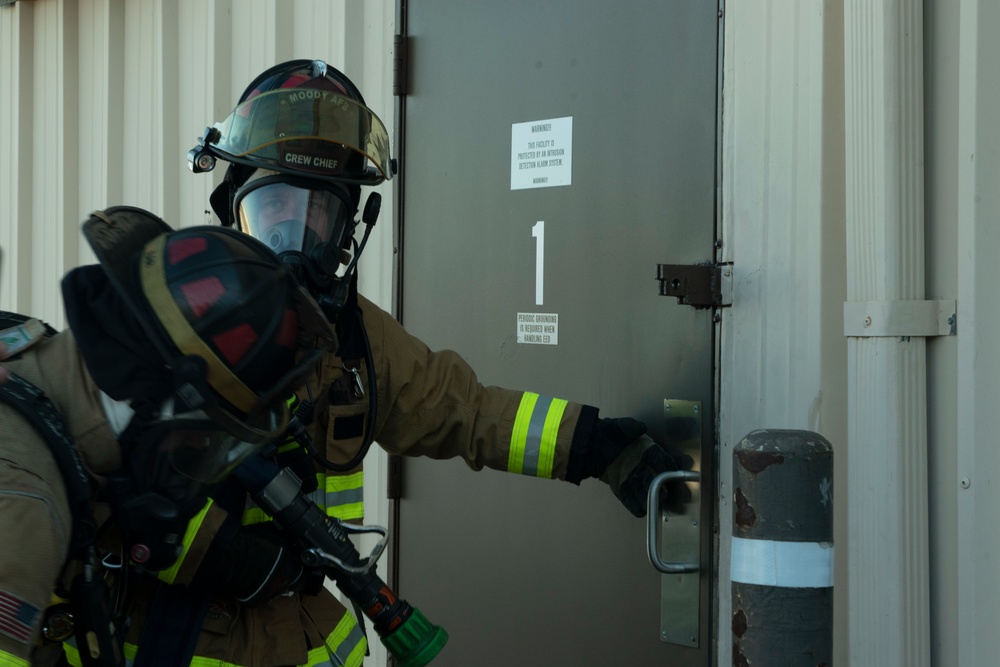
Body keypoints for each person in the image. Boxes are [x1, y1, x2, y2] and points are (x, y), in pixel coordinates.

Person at [181, 58, 697, 666]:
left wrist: (598, 447)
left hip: (306, 640)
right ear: (231, 211)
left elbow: (464, 410)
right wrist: (217, 551)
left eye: (318, 212)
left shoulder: (352, 336)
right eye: (274, 211)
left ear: (349, 225)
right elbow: (92, 477)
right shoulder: (174, 317)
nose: (295, 239)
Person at [0, 206, 338, 667]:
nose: (195, 462)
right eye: (204, 443)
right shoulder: (25, 507)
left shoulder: (39, 376)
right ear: (163, 401)